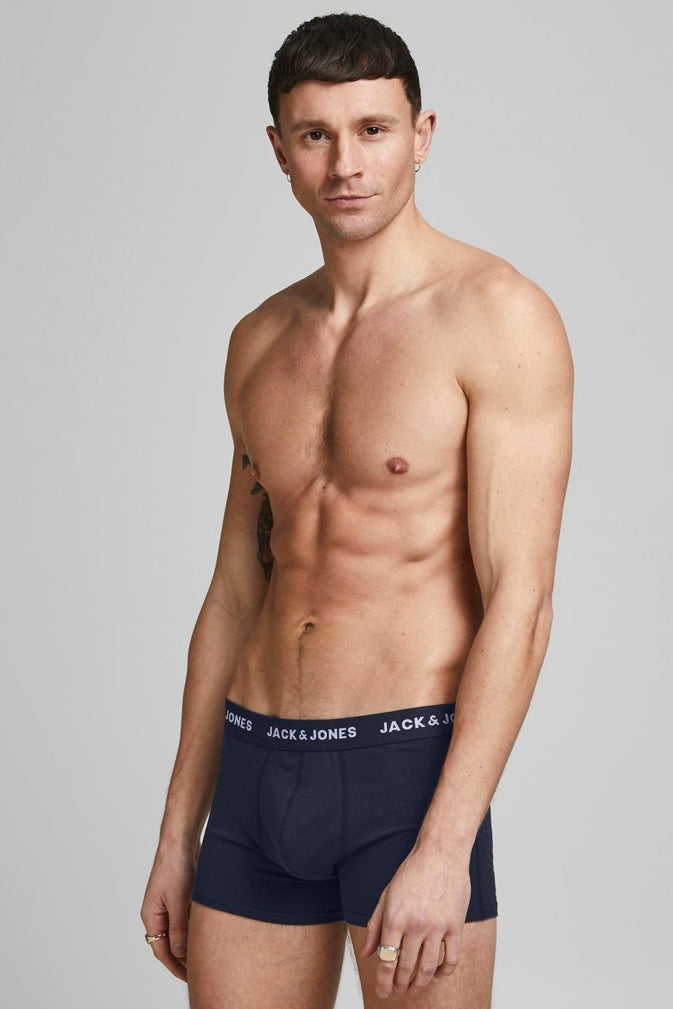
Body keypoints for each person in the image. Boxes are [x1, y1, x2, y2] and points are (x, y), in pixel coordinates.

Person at [140, 12, 573, 1009]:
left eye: (373, 129)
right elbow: (234, 593)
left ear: (421, 134)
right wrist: (176, 834)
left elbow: (522, 600)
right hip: (255, 773)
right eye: (316, 134)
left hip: (404, 778)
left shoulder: (497, 316)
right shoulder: (259, 339)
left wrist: (445, 844)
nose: (345, 163)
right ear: (278, 150)